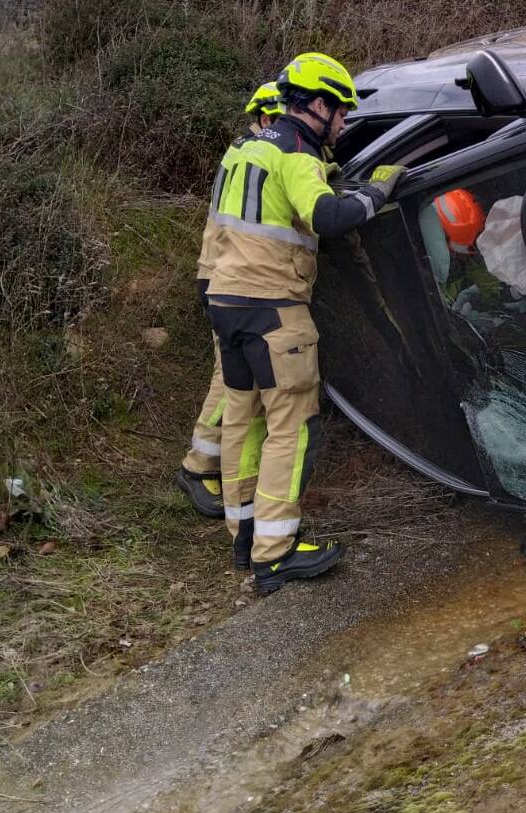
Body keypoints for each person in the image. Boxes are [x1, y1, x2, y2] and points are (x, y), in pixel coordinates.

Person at [203, 52, 404, 593]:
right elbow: (328, 218)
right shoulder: (296, 151)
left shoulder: (248, 148)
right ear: (317, 105)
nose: (342, 123)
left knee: (245, 422)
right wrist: (374, 193)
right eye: (340, 112)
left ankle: (246, 540)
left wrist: (324, 176)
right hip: (274, 309)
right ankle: (276, 554)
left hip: (227, 301)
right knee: (292, 428)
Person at [175, 81, 285, 521]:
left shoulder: (243, 151)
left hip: (220, 275)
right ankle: (198, 466)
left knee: (234, 376)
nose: (282, 128)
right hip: (225, 278)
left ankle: (220, 463)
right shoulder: (253, 157)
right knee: (228, 377)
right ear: (261, 118)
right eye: (275, 120)